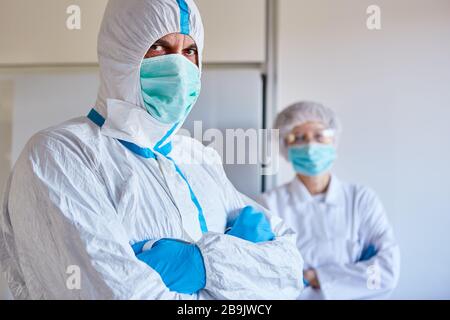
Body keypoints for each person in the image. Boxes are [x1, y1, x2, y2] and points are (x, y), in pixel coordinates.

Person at [0, 0, 303, 299]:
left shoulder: (198, 157)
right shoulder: (61, 154)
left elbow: (289, 272)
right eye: (159, 47)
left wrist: (197, 265)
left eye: (190, 51)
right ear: (120, 52)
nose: (179, 66)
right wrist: (239, 264)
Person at [258, 101, 400, 300]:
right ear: (285, 146)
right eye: (298, 137)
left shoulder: (360, 199)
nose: (310, 146)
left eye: (319, 136)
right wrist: (350, 275)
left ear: (333, 141)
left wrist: (315, 277)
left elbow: (386, 272)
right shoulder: (269, 204)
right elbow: (263, 276)